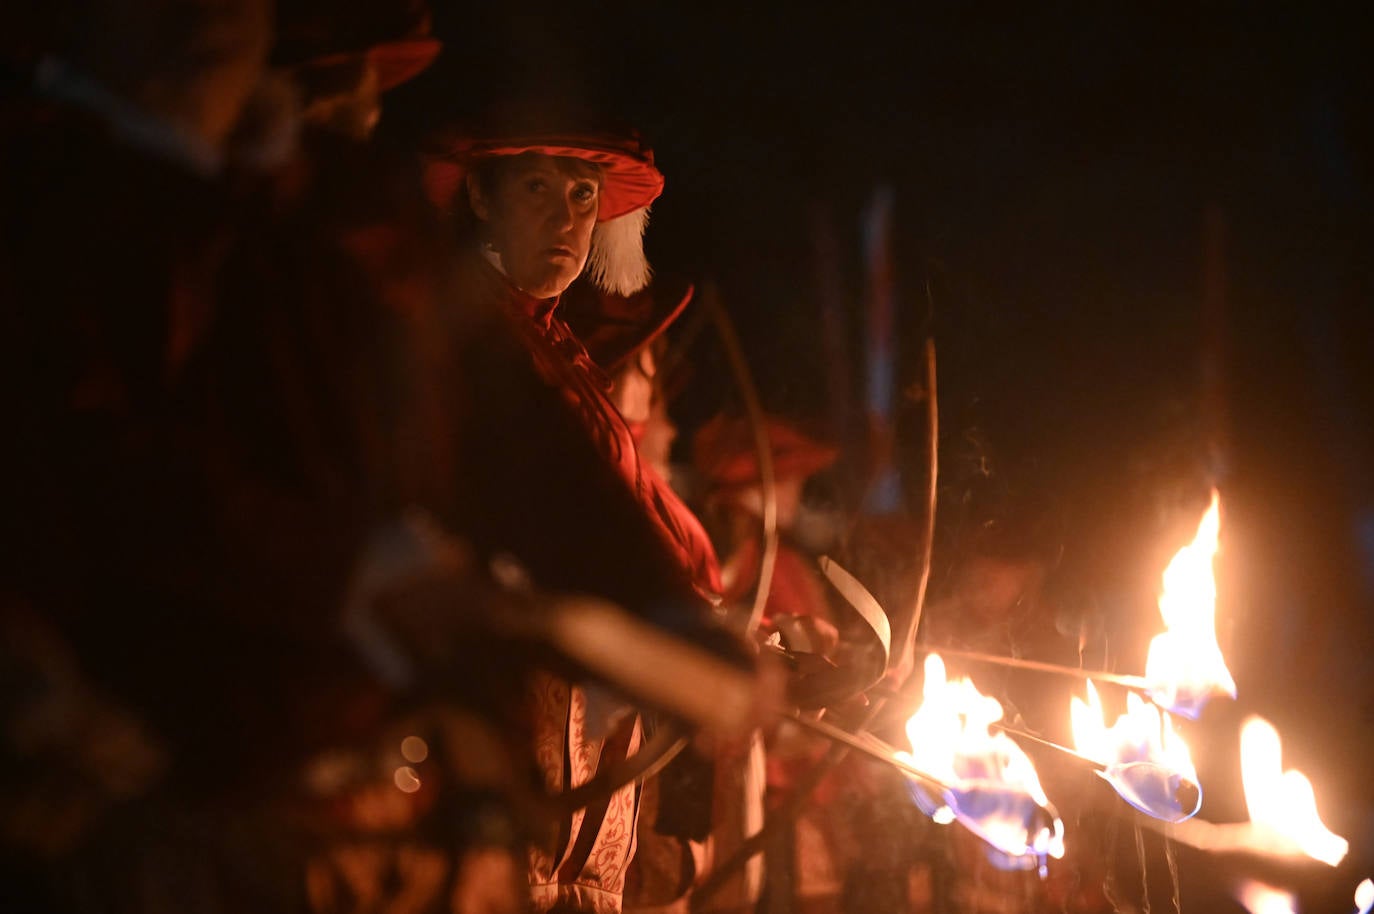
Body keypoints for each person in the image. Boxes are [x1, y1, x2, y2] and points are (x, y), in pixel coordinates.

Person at [421, 115, 747, 914]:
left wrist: (733, 621)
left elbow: (638, 518)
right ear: (480, 196)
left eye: (583, 195)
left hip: (588, 776)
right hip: (500, 740)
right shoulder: (461, 336)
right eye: (539, 189)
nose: (567, 219)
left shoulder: (562, 356)